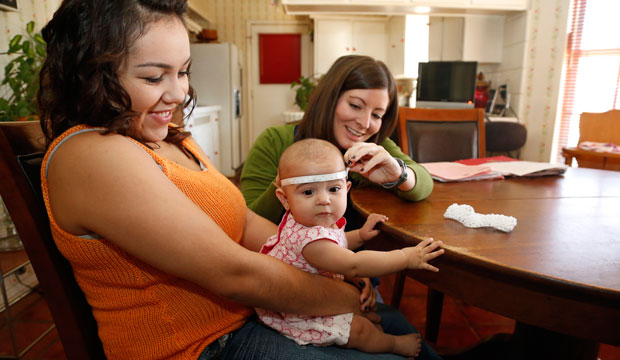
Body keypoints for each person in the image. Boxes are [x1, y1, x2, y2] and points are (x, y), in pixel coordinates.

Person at [37, 1, 443, 359]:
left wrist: (333, 270)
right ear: (89, 75)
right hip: (204, 346)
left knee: (406, 336)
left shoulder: (171, 139)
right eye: (154, 77)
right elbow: (235, 274)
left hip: (252, 317)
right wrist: (342, 295)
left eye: (182, 72)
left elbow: (248, 224)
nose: (179, 93)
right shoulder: (92, 154)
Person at [256, 138, 444, 358]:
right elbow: (353, 265)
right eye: (308, 192)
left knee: (371, 317)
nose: (324, 200)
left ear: (346, 189)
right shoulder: (310, 241)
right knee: (360, 330)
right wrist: (405, 257)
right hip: (301, 312)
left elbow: (336, 241)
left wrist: (360, 235)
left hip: (321, 292)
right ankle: (393, 345)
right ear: (285, 199)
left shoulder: (311, 224)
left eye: (333, 189)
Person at [241, 54, 434, 225]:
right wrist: (289, 180)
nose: (365, 123)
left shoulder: (374, 146)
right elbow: (248, 223)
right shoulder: (275, 141)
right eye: (355, 105)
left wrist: (398, 173)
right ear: (330, 98)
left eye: (376, 115)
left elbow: (424, 183)